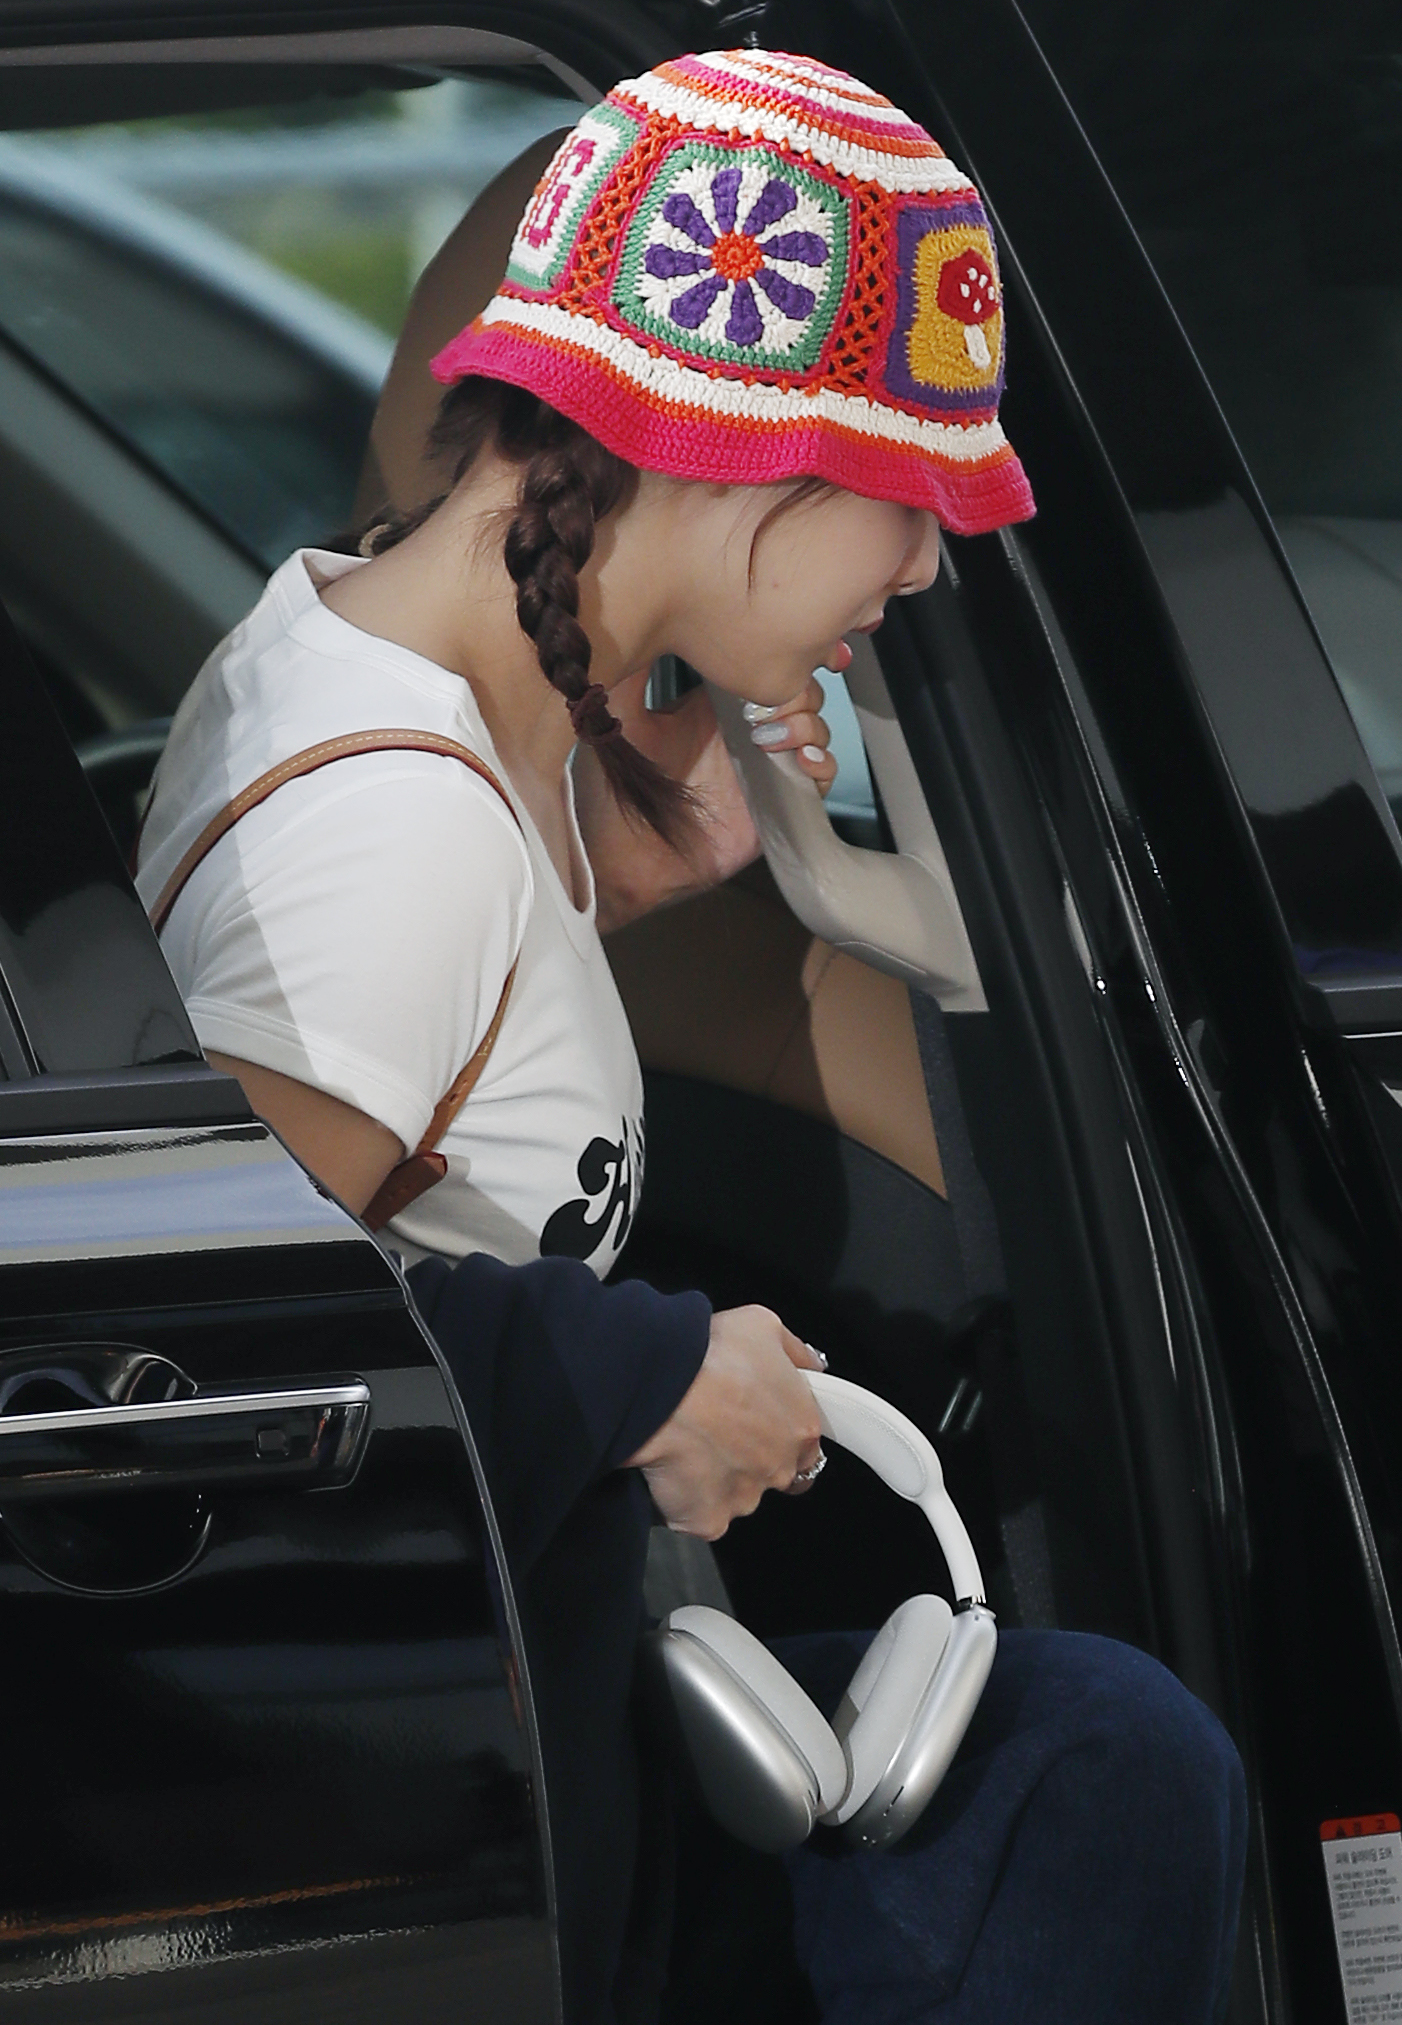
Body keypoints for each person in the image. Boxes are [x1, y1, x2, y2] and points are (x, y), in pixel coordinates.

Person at [135, 48, 1245, 2025]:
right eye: (907, 496)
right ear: (735, 457)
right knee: (1104, 1773)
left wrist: (634, 859)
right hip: (460, 1823)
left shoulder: (378, 672)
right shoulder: (388, 835)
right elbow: (202, 1374)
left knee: (1092, 1754)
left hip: (543, 1715)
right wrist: (648, 1372)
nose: (925, 563)